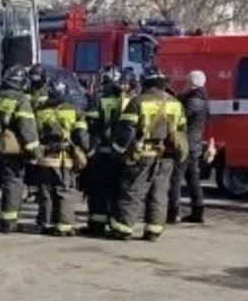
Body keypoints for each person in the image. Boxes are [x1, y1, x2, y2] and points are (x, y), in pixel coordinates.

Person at [110, 67, 186, 242]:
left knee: (133, 190)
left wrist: (118, 151)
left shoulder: (138, 102)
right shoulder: (176, 103)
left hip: (142, 154)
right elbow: (181, 131)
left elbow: (126, 131)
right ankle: (153, 230)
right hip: (166, 156)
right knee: (159, 192)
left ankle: (123, 228)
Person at [0, 66, 40, 233]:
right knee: (12, 185)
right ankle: (8, 222)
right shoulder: (20, 100)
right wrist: (35, 151)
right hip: (11, 151)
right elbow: (27, 129)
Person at [29, 78, 88, 235]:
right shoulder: (74, 110)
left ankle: (45, 223)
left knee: (45, 192)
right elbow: (81, 136)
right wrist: (84, 150)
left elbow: (33, 132)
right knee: (63, 191)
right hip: (64, 159)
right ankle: (64, 225)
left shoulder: (40, 111)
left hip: (44, 158)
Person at [83, 66, 134, 236]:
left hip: (102, 152)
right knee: (118, 191)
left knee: (98, 191)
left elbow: (90, 126)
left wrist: (89, 150)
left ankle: (97, 226)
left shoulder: (99, 100)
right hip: (122, 154)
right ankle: (116, 223)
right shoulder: (130, 100)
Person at [168, 70, 209, 225]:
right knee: (193, 179)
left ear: (191, 83)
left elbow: (181, 117)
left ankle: (173, 212)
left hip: (186, 143)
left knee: (176, 179)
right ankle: (197, 211)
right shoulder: (202, 98)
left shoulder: (193, 101)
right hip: (195, 143)